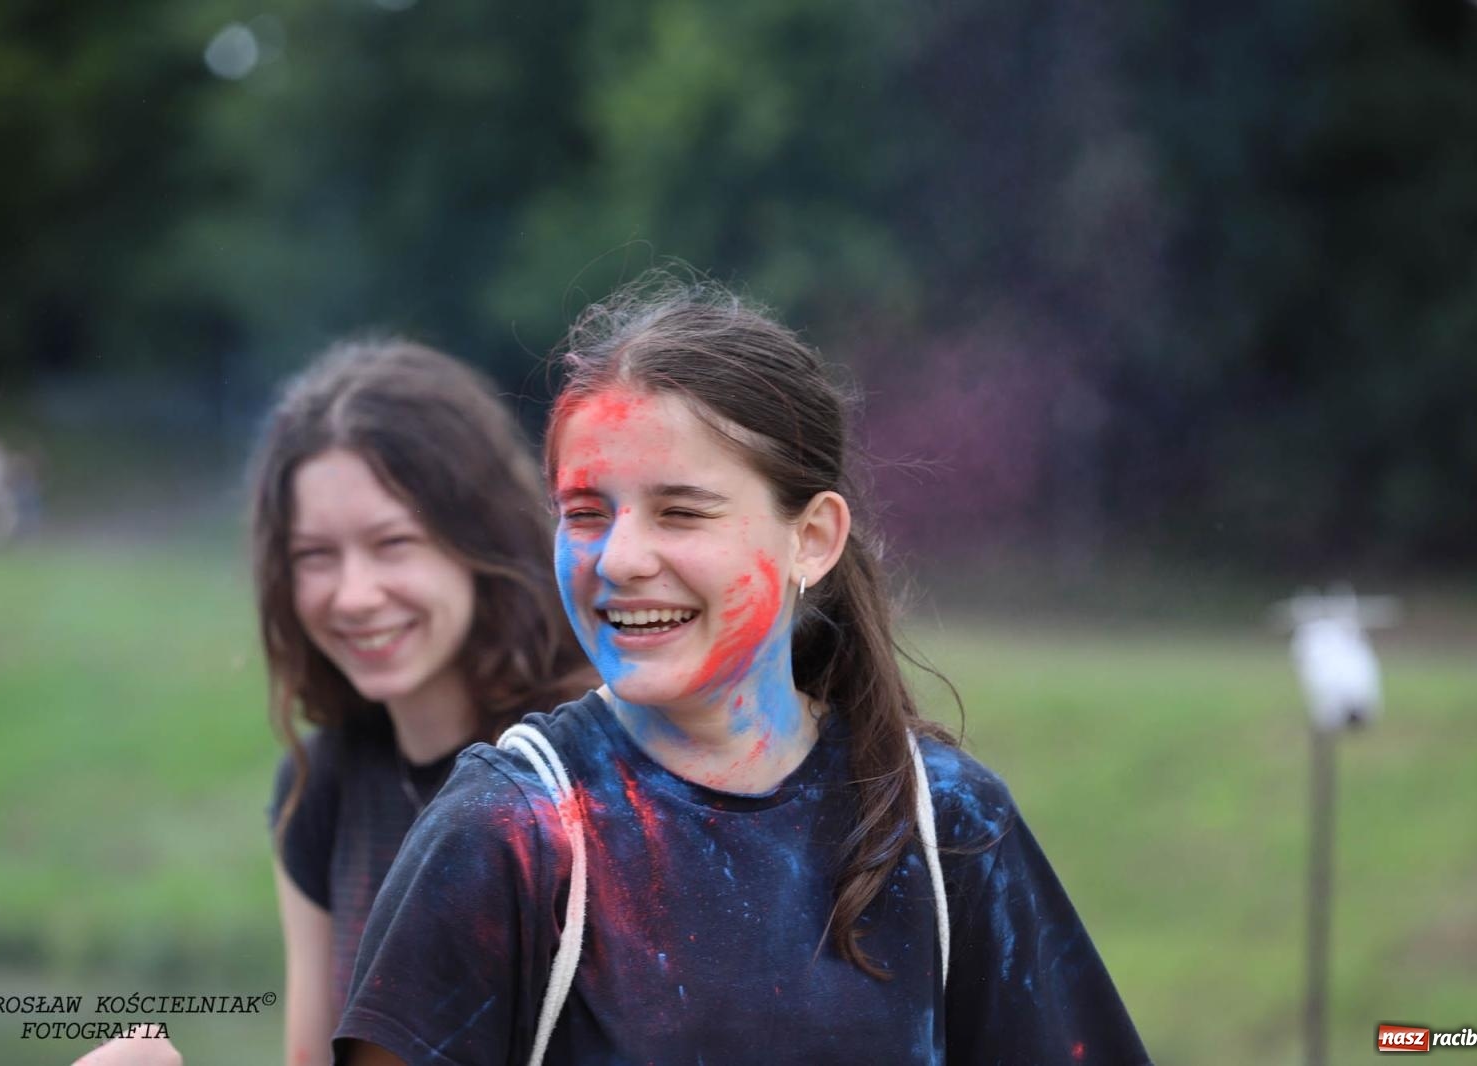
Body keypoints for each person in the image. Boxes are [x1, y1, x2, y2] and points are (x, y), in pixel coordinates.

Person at [335, 281, 1151, 1065]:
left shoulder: (946, 827)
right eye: (585, 512)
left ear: (814, 539)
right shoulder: (507, 835)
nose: (618, 558)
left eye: (681, 511)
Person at [251, 339, 595, 1065]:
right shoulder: (321, 786)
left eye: (393, 542)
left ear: (480, 541)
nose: (353, 595)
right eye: (316, 555)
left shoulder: (587, 770)